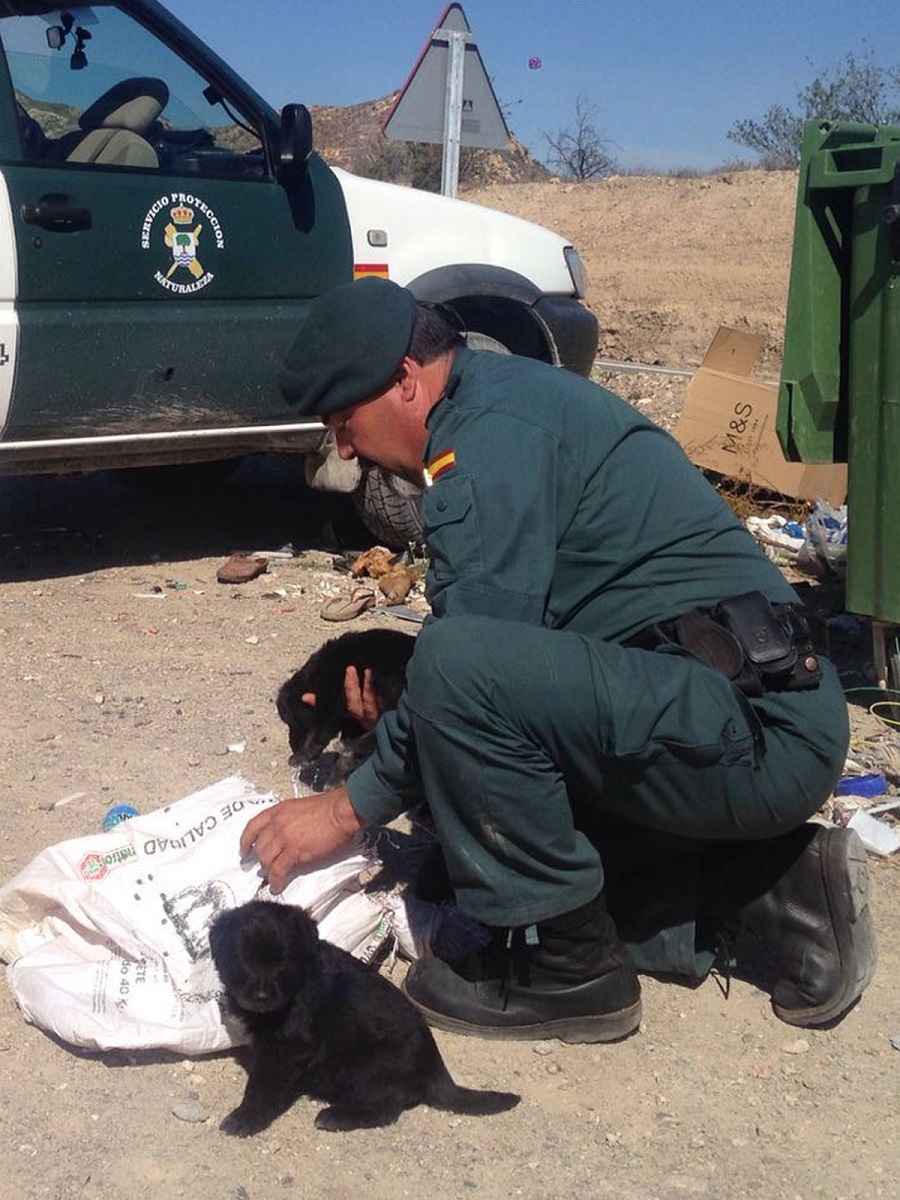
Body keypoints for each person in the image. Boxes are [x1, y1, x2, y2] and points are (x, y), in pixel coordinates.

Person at [240, 277, 876, 1043]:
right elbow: (510, 664)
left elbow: (467, 663)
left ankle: (570, 975)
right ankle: (782, 890)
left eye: (343, 419)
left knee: (467, 745)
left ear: (405, 381)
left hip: (751, 729)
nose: (343, 446)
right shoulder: (504, 402)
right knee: (465, 863)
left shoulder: (481, 445)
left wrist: (343, 812)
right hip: (725, 713)